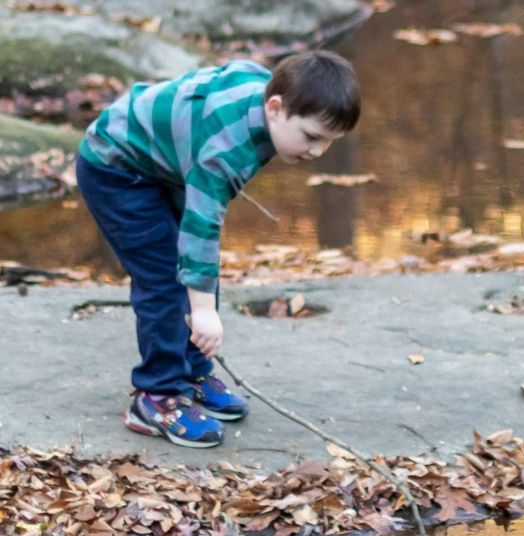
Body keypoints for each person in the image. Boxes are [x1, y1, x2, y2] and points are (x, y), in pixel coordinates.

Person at [74, 50, 361, 447]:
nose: (317, 151)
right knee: (164, 275)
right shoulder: (224, 150)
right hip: (118, 169)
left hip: (166, 164)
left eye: (330, 142)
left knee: (196, 274)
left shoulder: (268, 96)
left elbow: (233, 68)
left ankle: (191, 371)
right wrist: (205, 312)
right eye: (312, 136)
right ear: (274, 107)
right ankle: (157, 394)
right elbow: (201, 231)